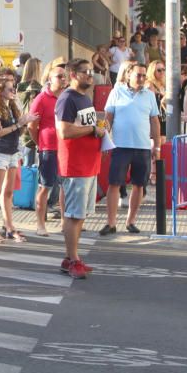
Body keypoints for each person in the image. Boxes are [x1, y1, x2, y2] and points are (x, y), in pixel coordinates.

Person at [55, 59, 104, 279]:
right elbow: (64, 131)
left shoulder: (84, 98)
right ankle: (73, 259)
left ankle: (71, 257)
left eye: (91, 71)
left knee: (81, 215)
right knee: (73, 215)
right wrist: (92, 129)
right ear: (73, 74)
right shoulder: (67, 99)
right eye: (85, 72)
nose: (90, 75)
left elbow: (87, 126)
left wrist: (100, 128)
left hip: (89, 163)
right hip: (75, 165)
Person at [101, 62, 160, 235]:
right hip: (121, 146)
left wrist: (156, 147)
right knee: (114, 183)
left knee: (139, 185)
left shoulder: (149, 95)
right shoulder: (116, 92)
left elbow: (154, 121)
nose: (141, 78)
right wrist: (104, 141)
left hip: (142, 147)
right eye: (138, 75)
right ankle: (111, 223)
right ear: (128, 75)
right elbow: (108, 118)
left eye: (144, 75)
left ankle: (131, 221)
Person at [0, 73, 34, 244]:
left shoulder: (12, 106)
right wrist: (18, 124)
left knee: (8, 192)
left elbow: (17, 131)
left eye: (15, 88)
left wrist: (24, 123)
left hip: (12, 152)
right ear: (1, 90)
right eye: (11, 88)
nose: (14, 91)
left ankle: (9, 228)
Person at [28, 63, 67, 236]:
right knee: (45, 186)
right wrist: (41, 143)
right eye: (59, 76)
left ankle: (65, 222)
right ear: (50, 79)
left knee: (65, 186)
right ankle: (40, 224)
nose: (63, 78)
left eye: (65, 76)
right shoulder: (41, 99)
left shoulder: (67, 97)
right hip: (49, 149)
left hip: (66, 149)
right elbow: (31, 126)